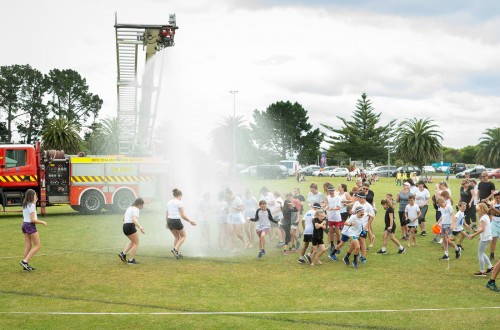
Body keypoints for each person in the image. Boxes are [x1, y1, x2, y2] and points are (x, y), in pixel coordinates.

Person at [19, 189, 47, 271]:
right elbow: (32, 220)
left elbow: (27, 216)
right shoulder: (31, 205)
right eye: (35, 195)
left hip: (24, 225)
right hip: (30, 225)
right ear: (32, 196)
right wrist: (43, 222)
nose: (36, 196)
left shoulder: (26, 204)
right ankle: (25, 261)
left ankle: (25, 264)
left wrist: (34, 203)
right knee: (38, 245)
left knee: (28, 245)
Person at [166, 188, 197, 259]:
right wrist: (190, 221)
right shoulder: (179, 202)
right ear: (179, 195)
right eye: (181, 196)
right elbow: (182, 215)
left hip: (169, 220)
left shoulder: (168, 202)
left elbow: (167, 214)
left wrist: (167, 222)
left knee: (177, 237)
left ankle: (176, 252)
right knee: (183, 236)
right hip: (176, 220)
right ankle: (175, 249)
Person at [469, 203, 494, 276]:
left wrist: (474, 235)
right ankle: (490, 267)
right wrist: (479, 233)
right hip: (488, 237)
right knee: (482, 252)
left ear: (482, 210)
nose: (476, 211)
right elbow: (485, 228)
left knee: (480, 253)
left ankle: (482, 271)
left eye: (477, 210)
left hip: (485, 238)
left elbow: (482, 229)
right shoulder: (486, 216)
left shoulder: (483, 218)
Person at [119, 198, 145, 265]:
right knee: (136, 242)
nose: (142, 207)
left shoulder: (129, 208)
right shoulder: (136, 209)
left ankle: (123, 254)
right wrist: (140, 227)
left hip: (125, 226)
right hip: (130, 226)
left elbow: (123, 218)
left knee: (133, 241)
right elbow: (134, 219)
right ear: (139, 204)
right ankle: (131, 260)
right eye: (142, 205)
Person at [325, 185, 342, 258]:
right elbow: (326, 205)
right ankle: (332, 244)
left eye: (332, 190)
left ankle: (338, 245)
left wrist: (332, 209)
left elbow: (338, 208)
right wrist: (327, 207)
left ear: (334, 191)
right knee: (331, 231)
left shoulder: (337, 197)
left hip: (337, 217)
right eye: (330, 191)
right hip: (330, 216)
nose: (331, 192)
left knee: (337, 232)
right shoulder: (327, 197)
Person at [489, 191, 500, 261]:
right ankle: (492, 255)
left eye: (499, 198)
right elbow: (492, 214)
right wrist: (492, 208)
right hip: (495, 222)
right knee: (493, 239)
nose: (498, 199)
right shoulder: (493, 203)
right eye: (496, 198)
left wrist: (493, 209)